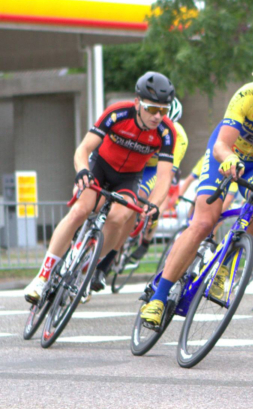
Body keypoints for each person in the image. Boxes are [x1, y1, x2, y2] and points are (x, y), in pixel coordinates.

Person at [140, 46, 253, 326]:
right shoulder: (248, 96)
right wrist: (229, 158)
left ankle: (227, 264)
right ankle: (158, 298)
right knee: (202, 224)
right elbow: (222, 144)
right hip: (225, 154)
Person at [23, 72, 177, 303]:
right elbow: (83, 149)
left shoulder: (166, 132)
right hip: (100, 167)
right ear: (137, 103)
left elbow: (164, 177)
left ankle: (86, 268)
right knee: (79, 210)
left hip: (129, 178)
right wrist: (82, 170)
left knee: (120, 217)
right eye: (152, 109)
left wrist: (155, 204)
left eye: (163, 110)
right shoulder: (118, 113)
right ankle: (42, 276)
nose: (158, 116)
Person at [87, 98, 189, 291]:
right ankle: (87, 230)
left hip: (150, 170)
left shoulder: (178, 136)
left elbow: (166, 175)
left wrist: (152, 204)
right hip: (132, 161)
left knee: (134, 203)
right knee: (97, 201)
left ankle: (107, 263)